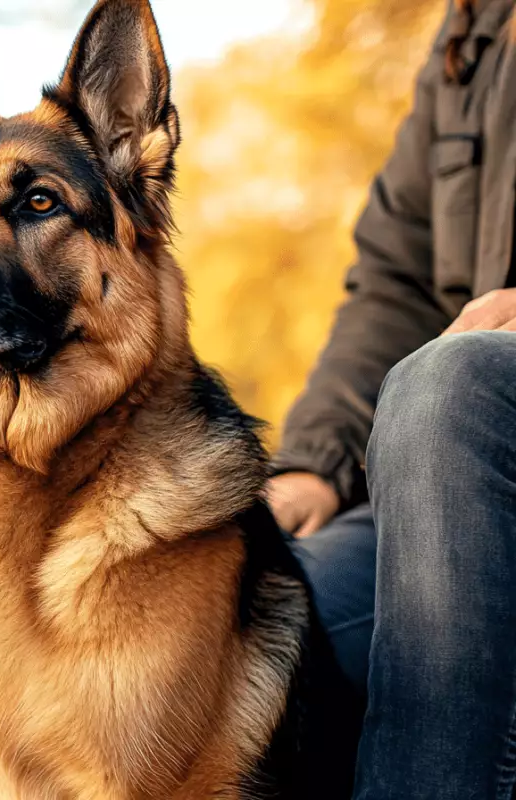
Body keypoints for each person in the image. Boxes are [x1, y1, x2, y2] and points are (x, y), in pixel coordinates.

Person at [266, 0, 516, 796]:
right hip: (445, 486)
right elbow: (396, 280)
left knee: (449, 386)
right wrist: (315, 463)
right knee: (260, 617)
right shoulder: (476, 30)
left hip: (463, 418)